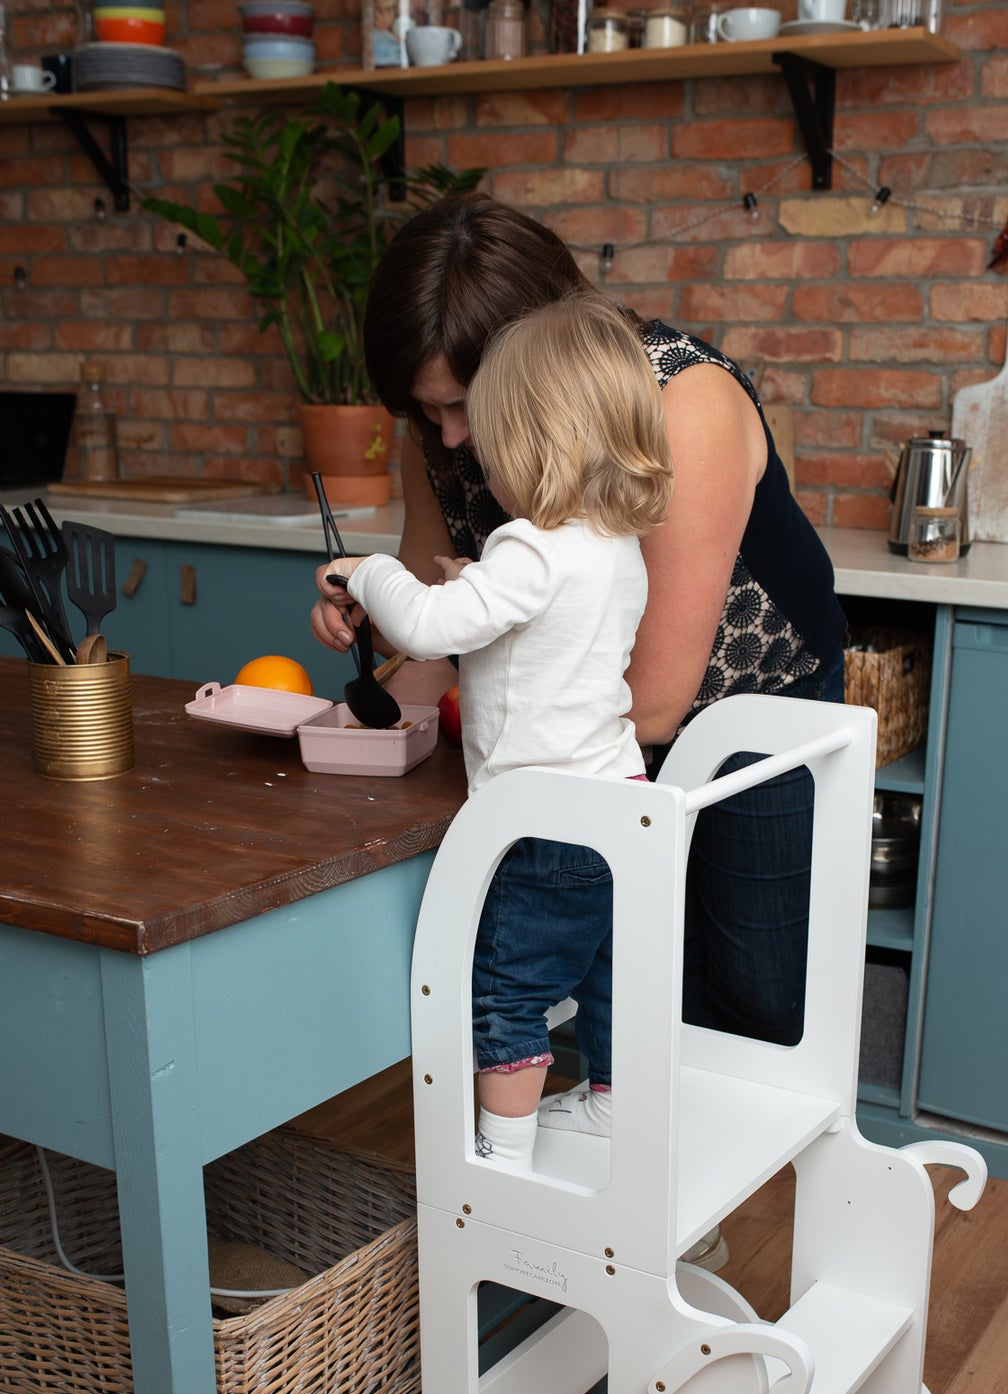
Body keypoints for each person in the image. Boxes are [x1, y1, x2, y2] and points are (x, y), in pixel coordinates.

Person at [310, 194, 846, 1065]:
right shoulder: (441, 433)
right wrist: (375, 669)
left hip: (746, 703)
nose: (449, 437)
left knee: (751, 993)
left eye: (464, 406)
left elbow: (654, 703)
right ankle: (626, 1127)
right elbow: (433, 648)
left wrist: (470, 672)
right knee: (633, 982)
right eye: (425, 410)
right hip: (589, 726)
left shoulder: (681, 407)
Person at [314, 291, 673, 1172]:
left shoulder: (531, 547)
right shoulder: (613, 545)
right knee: (608, 968)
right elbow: (545, 634)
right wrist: (473, 579)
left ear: (534, 445)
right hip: (618, 799)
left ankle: (502, 1155)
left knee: (505, 985)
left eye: (492, 441)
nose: (474, 455)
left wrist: (369, 570)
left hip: (539, 819)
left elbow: (425, 628)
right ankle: (610, 1105)